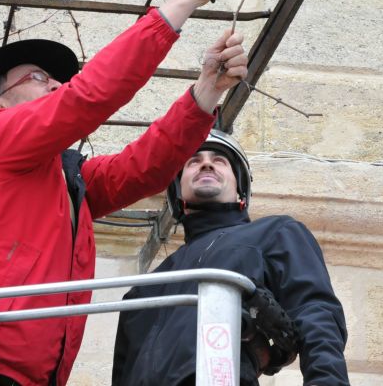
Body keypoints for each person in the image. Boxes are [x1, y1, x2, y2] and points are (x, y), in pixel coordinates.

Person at [0, 0, 252, 386]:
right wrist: (181, 3)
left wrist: (206, 90)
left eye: (56, 79)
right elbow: (87, 97)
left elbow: (143, 168)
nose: (56, 83)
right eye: (36, 77)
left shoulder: (67, 181)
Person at [112, 129, 350, 386]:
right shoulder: (147, 288)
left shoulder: (274, 233)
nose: (205, 163)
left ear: (240, 192)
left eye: (219, 161)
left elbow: (315, 312)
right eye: (193, 161)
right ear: (177, 196)